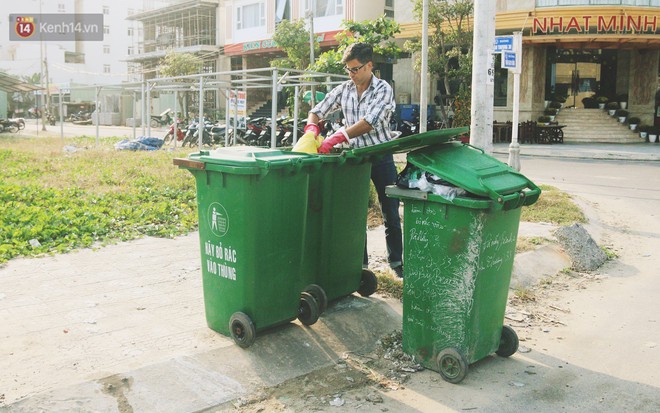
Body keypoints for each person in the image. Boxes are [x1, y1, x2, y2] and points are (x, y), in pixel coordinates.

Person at [304, 42, 403, 278]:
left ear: (369, 66)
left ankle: (397, 263)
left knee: (389, 210)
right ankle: (362, 266)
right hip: (356, 158)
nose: (351, 74)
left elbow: (371, 121)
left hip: (380, 155)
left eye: (355, 69)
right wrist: (311, 126)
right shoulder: (344, 89)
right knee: (357, 213)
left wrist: (340, 135)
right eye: (348, 70)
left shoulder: (383, 89)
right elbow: (318, 109)